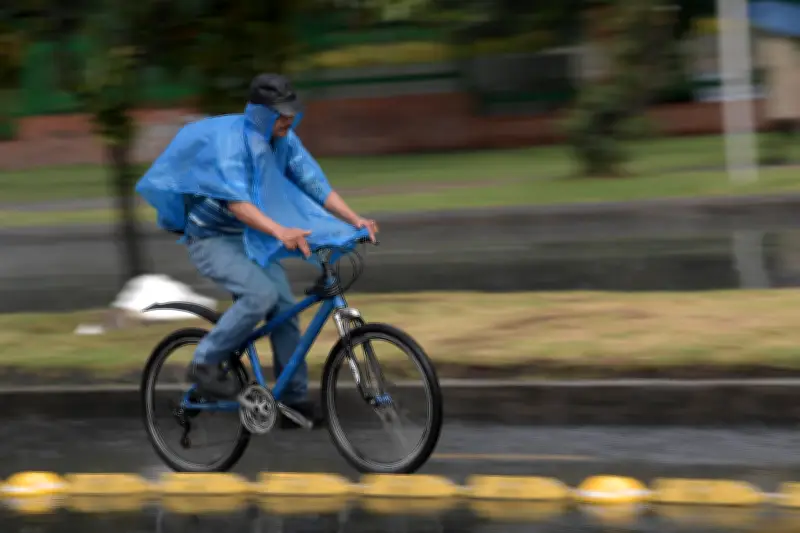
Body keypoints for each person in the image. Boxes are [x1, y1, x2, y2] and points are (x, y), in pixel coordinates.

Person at [136, 73, 378, 428]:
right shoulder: (231, 144)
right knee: (260, 295)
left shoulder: (284, 140)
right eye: (281, 114)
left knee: (285, 306)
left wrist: (354, 219)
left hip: (250, 238)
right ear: (261, 114)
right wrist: (280, 230)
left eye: (291, 112)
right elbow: (236, 202)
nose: (288, 119)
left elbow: (314, 183)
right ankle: (204, 362)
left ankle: (292, 404)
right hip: (213, 239)